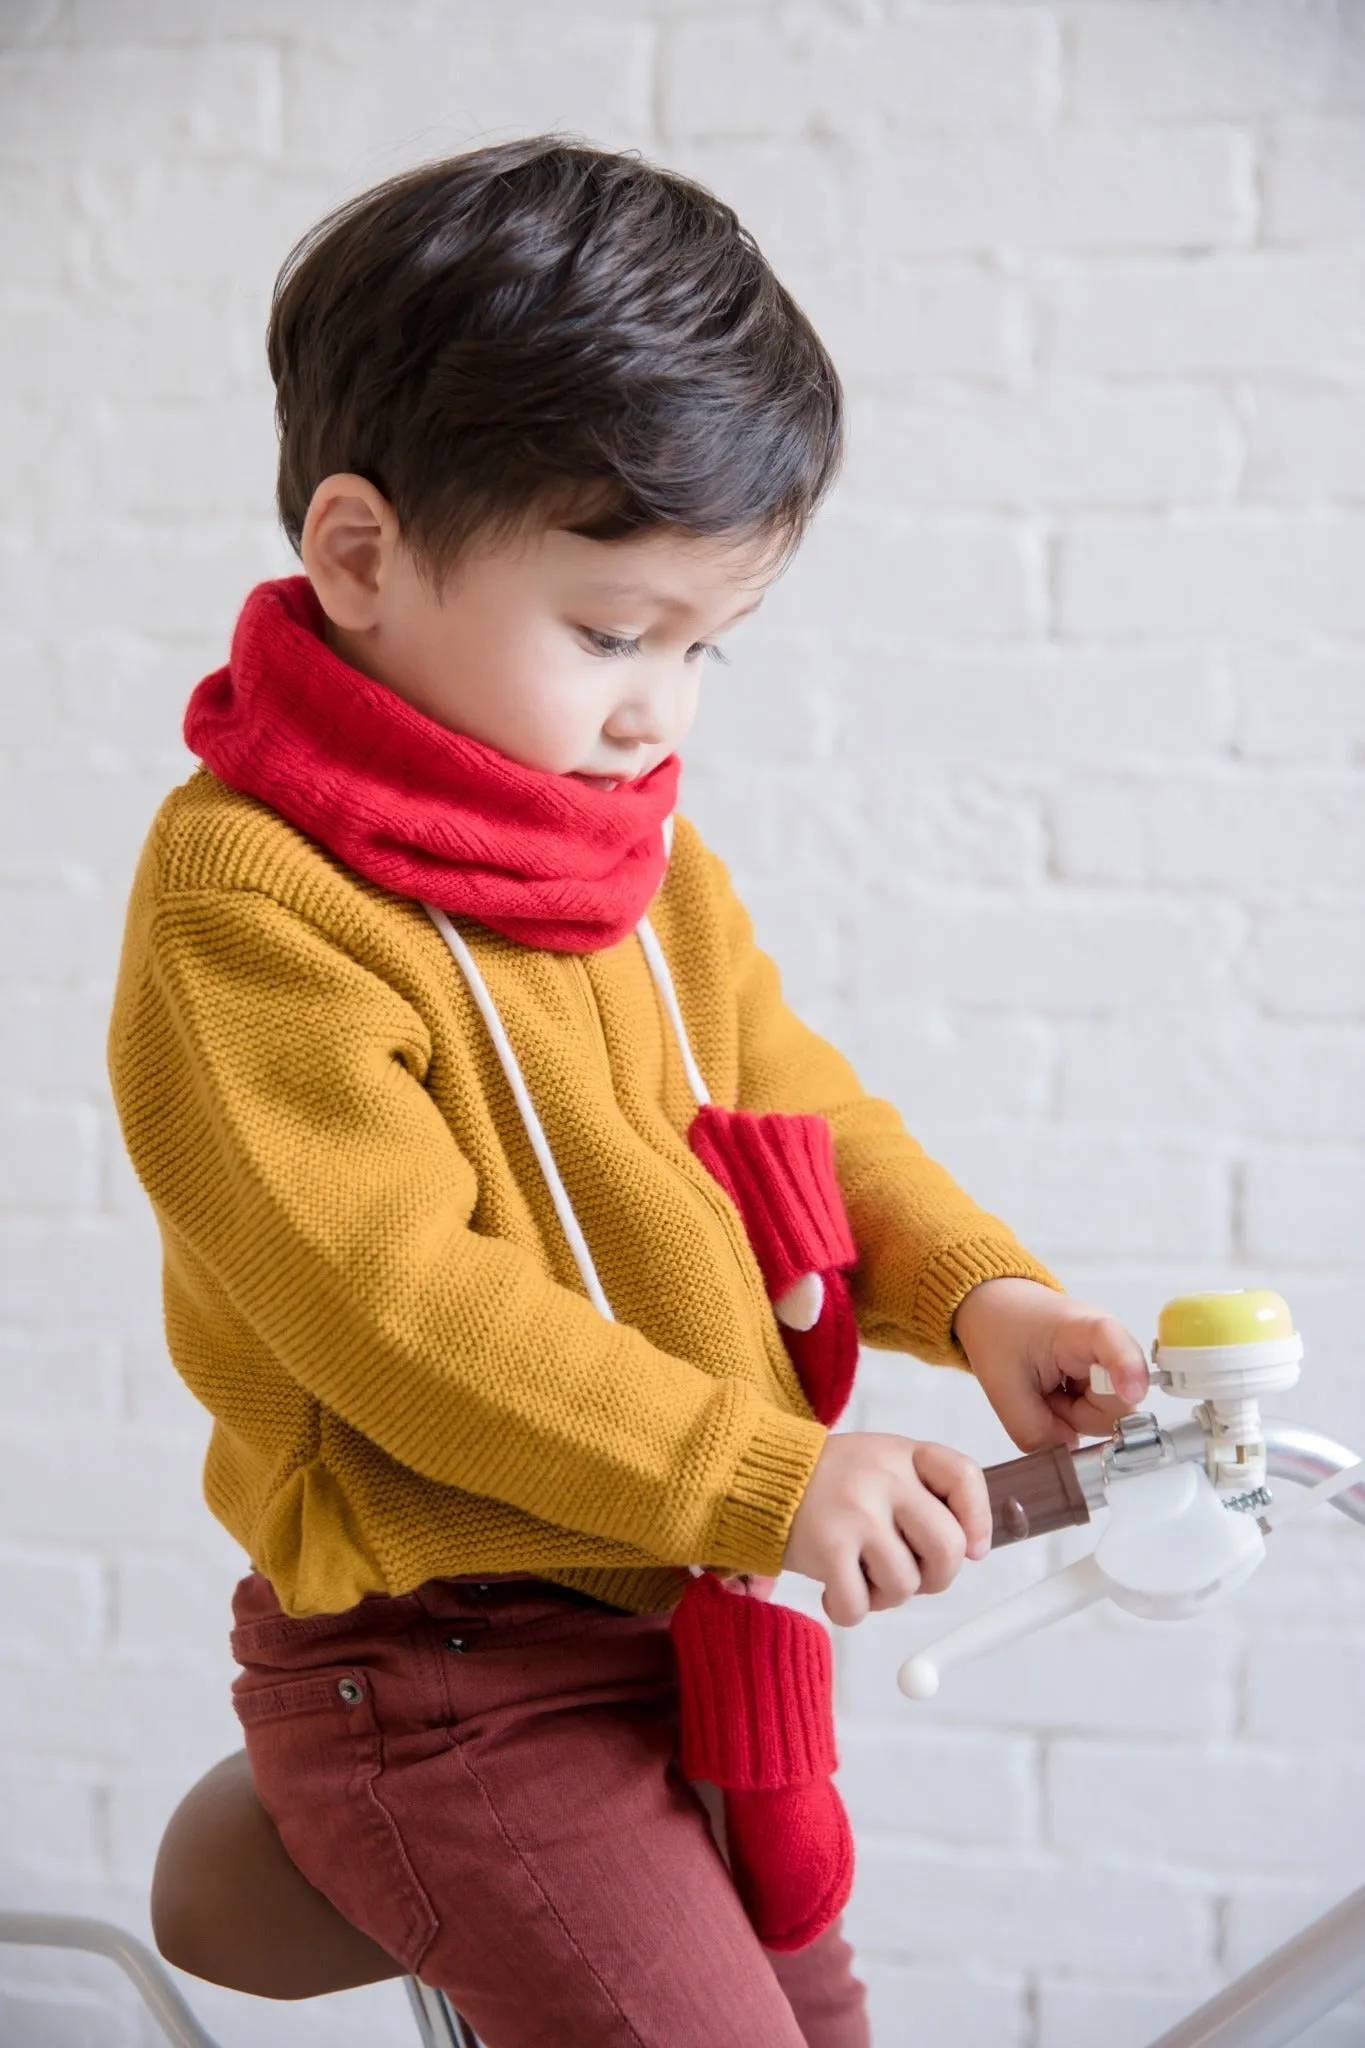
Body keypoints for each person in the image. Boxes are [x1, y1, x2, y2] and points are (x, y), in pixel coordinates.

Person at [109, 137, 1149, 2048]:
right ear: (359, 556)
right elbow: (397, 1314)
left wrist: (981, 1294)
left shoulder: (636, 860)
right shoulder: (253, 901)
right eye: (608, 634)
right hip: (449, 1676)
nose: (659, 709)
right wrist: (760, 1475)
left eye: (702, 648)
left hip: (682, 1619)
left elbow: (797, 1119)